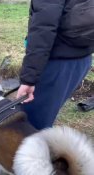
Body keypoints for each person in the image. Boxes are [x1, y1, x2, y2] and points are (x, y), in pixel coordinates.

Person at [16, 0, 93, 130]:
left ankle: (36, 146)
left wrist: (29, 80)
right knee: (47, 112)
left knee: (30, 124)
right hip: (82, 56)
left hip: (58, 62)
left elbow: (43, 29)